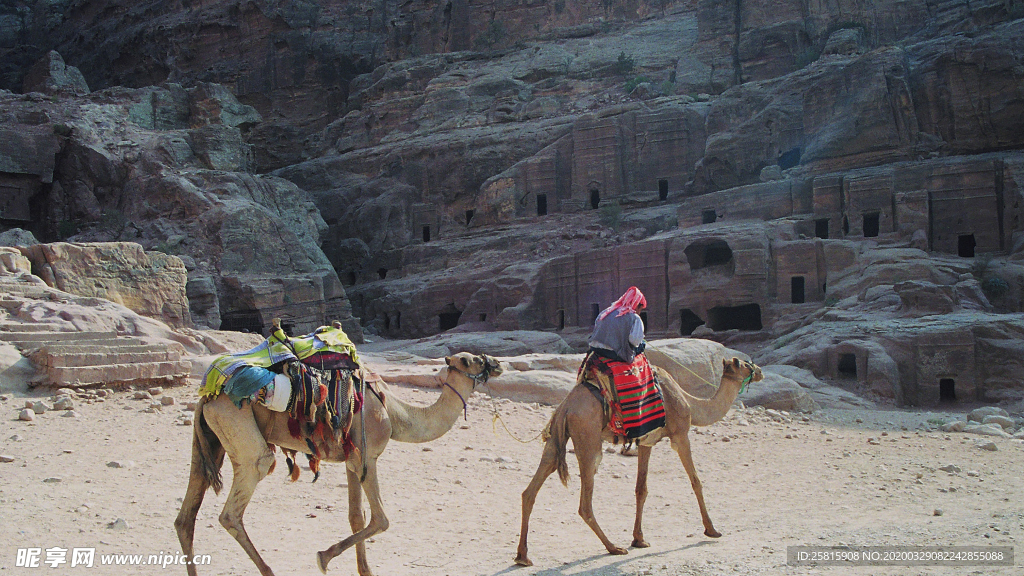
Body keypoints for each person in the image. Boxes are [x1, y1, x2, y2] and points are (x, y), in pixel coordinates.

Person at [588, 286, 647, 364]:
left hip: (595, 349)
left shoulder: (606, 312)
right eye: (640, 309)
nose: (639, 312)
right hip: (613, 354)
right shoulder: (634, 318)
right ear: (636, 305)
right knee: (642, 345)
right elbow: (634, 341)